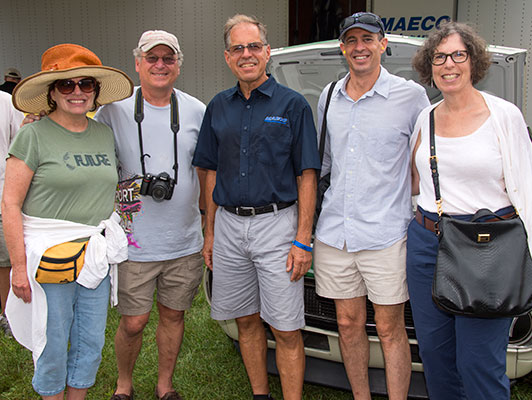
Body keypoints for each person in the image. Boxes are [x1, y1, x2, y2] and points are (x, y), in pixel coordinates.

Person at [193, 14, 320, 400]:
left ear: (267, 52)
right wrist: (210, 231)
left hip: (278, 225)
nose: (246, 55)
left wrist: (302, 239)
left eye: (253, 47)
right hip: (229, 226)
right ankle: (260, 394)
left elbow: (307, 176)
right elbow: (209, 172)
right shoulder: (218, 107)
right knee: (246, 320)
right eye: (237, 48)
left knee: (285, 327)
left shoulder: (293, 105)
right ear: (228, 57)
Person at [407, 21, 532, 400]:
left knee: (479, 364)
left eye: (458, 55)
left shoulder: (503, 116)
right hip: (428, 245)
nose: (449, 64)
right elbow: (416, 182)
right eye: (440, 57)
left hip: (486, 248)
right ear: (429, 66)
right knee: (436, 357)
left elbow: (526, 190)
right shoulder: (424, 118)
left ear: (473, 61)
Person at [3, 43, 132, 400]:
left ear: (95, 91)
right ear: (52, 92)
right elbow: (10, 204)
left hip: (94, 254)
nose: (77, 92)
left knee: (91, 338)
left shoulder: (103, 135)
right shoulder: (33, 135)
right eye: (66, 85)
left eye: (85, 84)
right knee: (53, 337)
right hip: (48, 257)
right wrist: (16, 266)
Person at [312, 12, 430, 400]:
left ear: (383, 44)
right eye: (352, 40)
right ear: (342, 48)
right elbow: (325, 165)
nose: (359, 47)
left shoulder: (411, 96)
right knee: (347, 323)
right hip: (335, 233)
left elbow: (424, 162)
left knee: (390, 328)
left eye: (368, 39)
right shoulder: (328, 97)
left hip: (386, 234)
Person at [96, 30, 206, 400]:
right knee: (133, 321)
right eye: (152, 58)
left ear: (178, 65)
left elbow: (206, 172)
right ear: (138, 63)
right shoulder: (113, 110)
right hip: (133, 241)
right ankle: (123, 386)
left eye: (168, 58)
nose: (160, 65)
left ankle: (164, 386)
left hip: (184, 238)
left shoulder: (196, 110)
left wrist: (210, 227)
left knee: (174, 316)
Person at [0, 91, 23, 336]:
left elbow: (20, 141)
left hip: (3, 195)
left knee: (5, 262)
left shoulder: (5, 102)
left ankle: (9, 317)